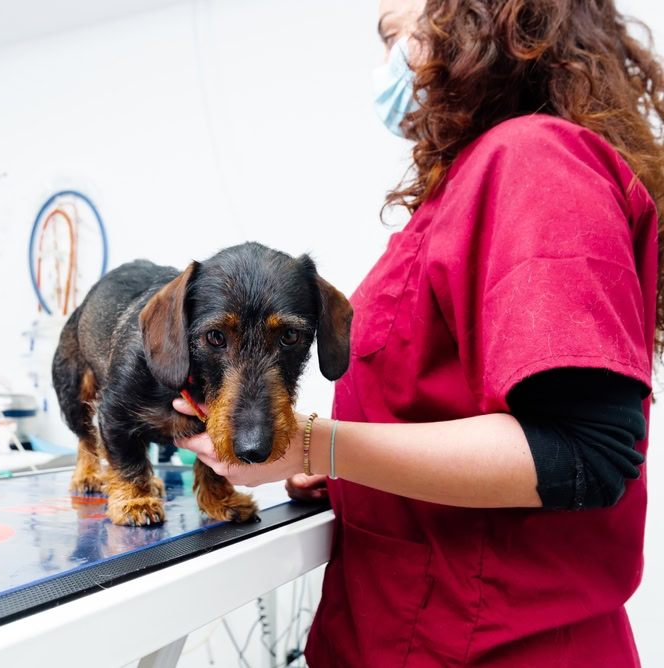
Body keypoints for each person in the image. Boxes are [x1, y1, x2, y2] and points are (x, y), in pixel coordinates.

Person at [174, 0, 663, 664]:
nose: (386, 63)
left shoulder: (535, 161)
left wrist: (321, 447)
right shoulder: (463, 189)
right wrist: (349, 475)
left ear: (483, 20)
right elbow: (444, 407)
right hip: (402, 633)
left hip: (501, 647)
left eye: (394, 34)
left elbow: (583, 453)